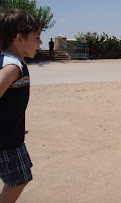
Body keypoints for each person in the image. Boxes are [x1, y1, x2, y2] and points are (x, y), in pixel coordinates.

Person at [0, 9, 42, 202]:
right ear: (19, 38)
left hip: (11, 136)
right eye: (36, 37)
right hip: (7, 141)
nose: (40, 43)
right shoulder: (13, 66)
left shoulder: (6, 60)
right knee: (19, 179)